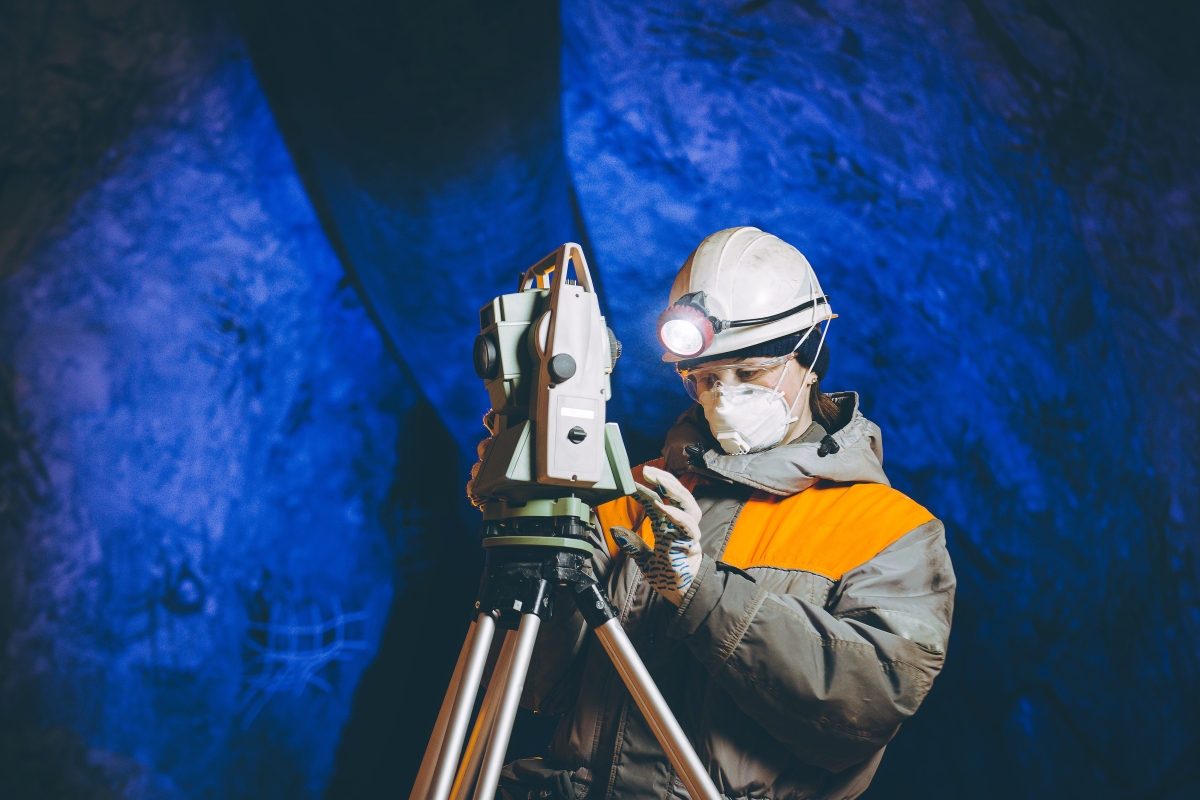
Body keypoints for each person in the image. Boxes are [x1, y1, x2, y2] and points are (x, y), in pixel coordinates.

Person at [472, 227, 956, 800]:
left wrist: (703, 591)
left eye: (749, 372)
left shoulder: (891, 531)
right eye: (703, 378)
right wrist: (539, 519)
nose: (722, 396)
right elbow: (539, 686)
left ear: (809, 359)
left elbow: (864, 708)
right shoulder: (634, 493)